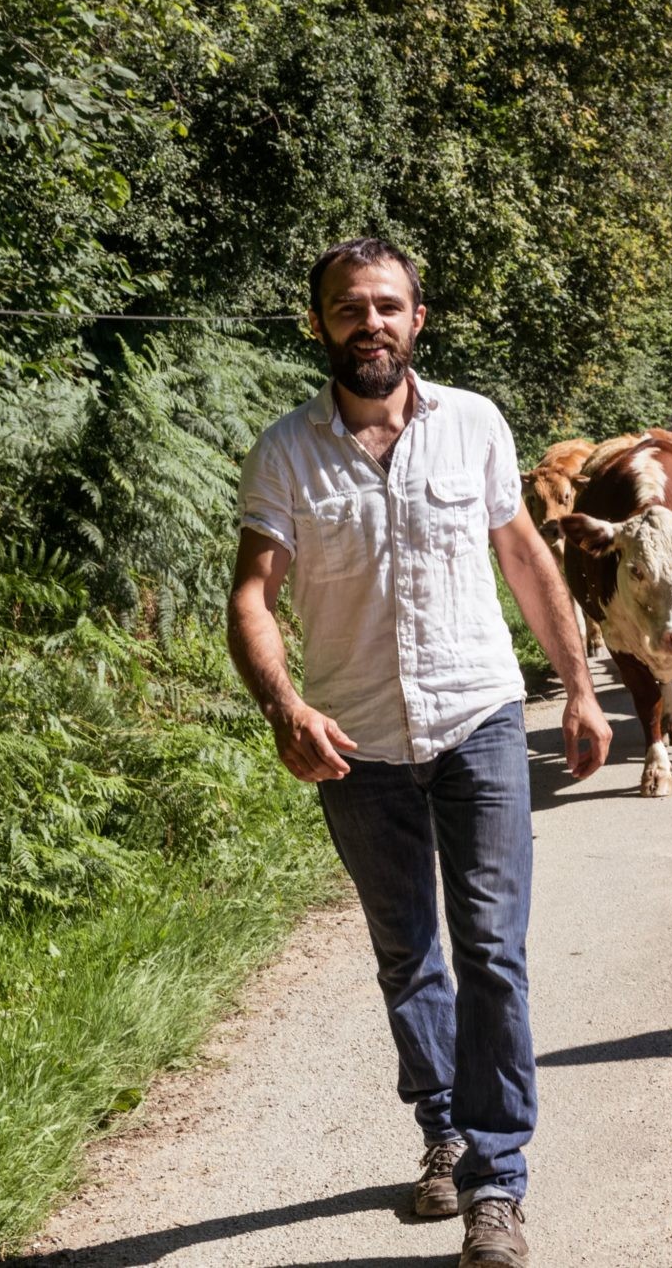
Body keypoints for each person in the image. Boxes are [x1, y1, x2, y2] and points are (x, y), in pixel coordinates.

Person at [228, 237, 613, 1266]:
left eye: (387, 305)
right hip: (356, 736)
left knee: (490, 948)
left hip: (478, 717)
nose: (370, 322)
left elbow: (523, 555)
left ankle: (495, 1177)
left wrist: (575, 685)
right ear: (320, 323)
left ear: (417, 318)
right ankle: (441, 1125)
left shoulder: (474, 422)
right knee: (407, 951)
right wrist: (283, 705)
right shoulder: (284, 450)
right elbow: (252, 595)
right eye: (349, 307)